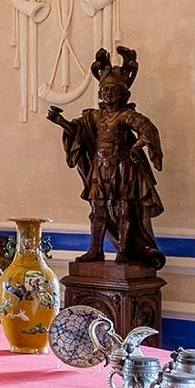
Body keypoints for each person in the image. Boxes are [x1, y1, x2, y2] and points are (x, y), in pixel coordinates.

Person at [46, 44, 165, 269]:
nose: (108, 93)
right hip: (100, 167)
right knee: (98, 209)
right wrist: (59, 121)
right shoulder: (94, 116)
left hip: (122, 166)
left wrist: (134, 148)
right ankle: (95, 250)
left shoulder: (126, 115)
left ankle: (123, 250)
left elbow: (148, 130)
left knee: (124, 209)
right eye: (105, 90)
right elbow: (77, 132)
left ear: (122, 94)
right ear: (100, 93)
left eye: (113, 90)